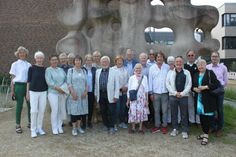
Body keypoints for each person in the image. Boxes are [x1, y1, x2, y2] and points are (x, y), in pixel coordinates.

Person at [193, 59, 219, 145]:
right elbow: (193, 86)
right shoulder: (196, 74)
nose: (200, 66)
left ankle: (206, 135)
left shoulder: (210, 73)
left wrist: (206, 87)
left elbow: (216, 84)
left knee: (208, 118)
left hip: (208, 100)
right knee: (202, 117)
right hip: (199, 100)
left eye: (202, 65)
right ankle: (204, 133)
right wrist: (194, 89)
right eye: (199, 65)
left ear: (205, 65)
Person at [166, 56, 192, 139]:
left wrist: (183, 93)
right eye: (177, 61)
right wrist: (175, 93)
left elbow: (189, 84)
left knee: (184, 114)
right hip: (173, 96)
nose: (178, 63)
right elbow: (167, 84)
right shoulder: (170, 72)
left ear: (182, 62)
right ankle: (175, 128)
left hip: (184, 96)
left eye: (180, 61)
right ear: (174, 63)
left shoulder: (187, 72)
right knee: (174, 113)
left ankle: (184, 130)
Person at [94, 56, 120, 134]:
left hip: (111, 95)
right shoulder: (98, 71)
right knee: (103, 111)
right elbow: (96, 84)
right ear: (100, 63)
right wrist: (96, 94)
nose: (104, 63)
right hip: (101, 94)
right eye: (103, 61)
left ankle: (112, 126)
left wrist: (116, 95)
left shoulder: (114, 71)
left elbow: (117, 85)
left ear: (109, 63)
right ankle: (106, 125)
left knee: (112, 111)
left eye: (106, 61)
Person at [9, 46, 31, 134]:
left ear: (26, 54)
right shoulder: (14, 64)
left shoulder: (29, 64)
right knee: (19, 105)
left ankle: (30, 122)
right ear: (18, 54)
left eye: (23, 52)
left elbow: (29, 78)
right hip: (18, 86)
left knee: (30, 105)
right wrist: (12, 90)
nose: (22, 54)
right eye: (20, 52)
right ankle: (18, 124)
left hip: (27, 86)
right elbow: (12, 78)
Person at [206, 51, 228, 137]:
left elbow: (225, 81)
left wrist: (222, 89)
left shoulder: (223, 67)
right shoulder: (208, 67)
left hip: (219, 91)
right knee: (211, 110)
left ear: (218, 58)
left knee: (220, 110)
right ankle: (212, 126)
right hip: (210, 91)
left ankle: (220, 128)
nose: (214, 58)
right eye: (212, 56)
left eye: (216, 56)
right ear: (211, 58)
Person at [26, 51, 48, 138]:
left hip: (43, 92)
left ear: (43, 59)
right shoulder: (31, 68)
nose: (39, 59)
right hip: (33, 92)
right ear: (35, 58)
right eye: (38, 58)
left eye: (41, 58)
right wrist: (27, 93)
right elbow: (28, 81)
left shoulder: (45, 69)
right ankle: (33, 129)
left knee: (42, 111)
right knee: (34, 111)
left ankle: (39, 128)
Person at [45, 55, 68, 135]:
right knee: (55, 110)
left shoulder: (61, 70)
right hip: (53, 93)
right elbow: (49, 81)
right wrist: (58, 88)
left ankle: (59, 126)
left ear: (57, 61)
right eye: (52, 60)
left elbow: (66, 79)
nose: (54, 61)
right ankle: (54, 127)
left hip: (62, 92)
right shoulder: (48, 70)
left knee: (61, 109)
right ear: (50, 61)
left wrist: (63, 89)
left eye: (55, 60)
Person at [67, 55, 88, 136]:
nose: (78, 62)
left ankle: (79, 127)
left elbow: (86, 83)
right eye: (76, 60)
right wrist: (72, 92)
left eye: (79, 60)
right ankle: (74, 128)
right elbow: (69, 83)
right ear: (74, 62)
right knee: (74, 111)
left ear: (81, 62)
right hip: (74, 94)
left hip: (82, 95)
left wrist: (86, 91)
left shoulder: (84, 71)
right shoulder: (70, 71)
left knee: (80, 111)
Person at [149, 52, 169, 134]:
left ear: (163, 58)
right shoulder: (152, 68)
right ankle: (157, 125)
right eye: (158, 57)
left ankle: (164, 126)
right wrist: (151, 93)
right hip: (155, 93)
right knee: (156, 110)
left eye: (161, 57)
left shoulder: (167, 67)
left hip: (165, 92)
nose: (159, 58)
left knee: (164, 110)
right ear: (155, 58)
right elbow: (150, 80)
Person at [127, 63, 149, 134]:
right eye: (137, 68)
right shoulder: (131, 78)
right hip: (133, 98)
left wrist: (146, 100)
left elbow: (146, 90)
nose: (138, 70)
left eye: (139, 68)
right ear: (134, 69)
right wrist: (128, 100)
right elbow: (129, 89)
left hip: (142, 98)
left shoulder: (144, 77)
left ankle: (140, 128)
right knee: (133, 112)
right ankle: (133, 128)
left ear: (141, 69)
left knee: (141, 112)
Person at [112, 55, 129, 129]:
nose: (119, 62)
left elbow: (129, 80)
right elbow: (111, 82)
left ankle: (122, 122)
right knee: (117, 109)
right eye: (118, 61)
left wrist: (126, 87)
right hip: (116, 93)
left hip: (124, 92)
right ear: (115, 62)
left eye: (121, 61)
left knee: (123, 108)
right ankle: (114, 123)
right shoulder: (112, 70)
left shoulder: (126, 70)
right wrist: (119, 88)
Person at [184, 50, 200, 125]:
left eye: (192, 55)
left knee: (196, 105)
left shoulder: (197, 66)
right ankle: (190, 120)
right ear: (187, 56)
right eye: (189, 55)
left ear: (194, 56)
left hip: (196, 89)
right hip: (187, 89)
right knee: (189, 106)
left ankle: (196, 121)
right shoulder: (184, 66)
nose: (190, 57)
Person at [83, 54, 96, 128]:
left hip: (91, 91)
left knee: (90, 107)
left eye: (90, 60)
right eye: (87, 60)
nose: (89, 61)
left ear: (92, 61)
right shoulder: (82, 69)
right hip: (84, 91)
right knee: (84, 106)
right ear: (85, 61)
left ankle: (89, 121)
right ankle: (84, 122)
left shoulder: (94, 69)